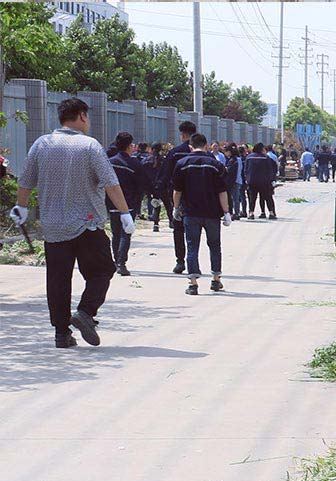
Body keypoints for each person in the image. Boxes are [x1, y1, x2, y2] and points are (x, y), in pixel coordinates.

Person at [10, 98, 133, 348]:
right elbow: (110, 182)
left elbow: (25, 180)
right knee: (102, 271)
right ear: (82, 116)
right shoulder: (89, 146)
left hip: (54, 226)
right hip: (87, 225)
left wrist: (21, 207)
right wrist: (124, 212)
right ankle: (86, 312)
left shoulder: (42, 144)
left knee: (58, 279)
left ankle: (61, 334)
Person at [172, 133, 231, 296]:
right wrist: (226, 212)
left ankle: (193, 284)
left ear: (190, 147)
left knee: (192, 246)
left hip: (191, 213)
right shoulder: (216, 165)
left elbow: (177, 190)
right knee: (214, 245)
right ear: (206, 146)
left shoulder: (181, 164)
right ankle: (216, 279)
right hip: (212, 214)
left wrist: (176, 208)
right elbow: (222, 191)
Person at [107, 131, 151, 277]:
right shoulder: (134, 164)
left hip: (112, 204)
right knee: (126, 234)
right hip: (129, 204)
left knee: (115, 233)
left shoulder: (110, 162)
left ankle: (115, 261)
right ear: (129, 146)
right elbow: (144, 183)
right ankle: (121, 263)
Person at [157, 120, 198, 274]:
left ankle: (180, 261)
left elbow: (165, 175)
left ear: (182, 135)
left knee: (178, 230)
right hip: (198, 198)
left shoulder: (175, 153)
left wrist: (158, 193)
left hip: (178, 197)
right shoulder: (202, 154)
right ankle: (193, 261)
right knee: (195, 231)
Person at [243, 143, 278, 220]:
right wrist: (272, 180)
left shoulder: (249, 157)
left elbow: (245, 169)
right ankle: (271, 213)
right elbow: (270, 170)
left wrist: (247, 179)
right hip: (264, 181)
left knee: (252, 198)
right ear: (261, 149)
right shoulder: (266, 158)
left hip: (252, 181)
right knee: (268, 197)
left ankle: (251, 213)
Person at [223, 144, 243, 221]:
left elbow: (231, 172)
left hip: (233, 181)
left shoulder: (233, 160)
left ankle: (235, 213)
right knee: (235, 198)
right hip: (237, 180)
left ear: (229, 152)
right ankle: (235, 213)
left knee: (233, 198)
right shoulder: (236, 159)